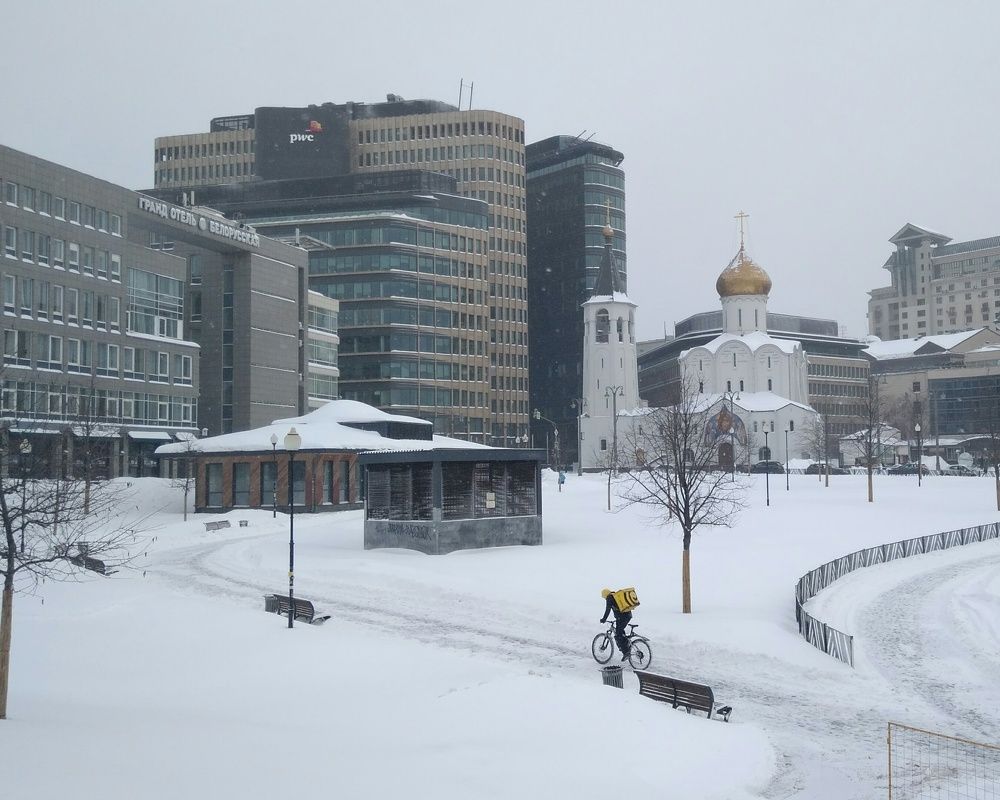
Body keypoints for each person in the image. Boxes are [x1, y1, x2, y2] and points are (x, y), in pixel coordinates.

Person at [600, 588, 633, 661]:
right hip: (627, 615)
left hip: (622, 617)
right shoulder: (615, 596)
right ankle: (626, 644)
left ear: (605, 595)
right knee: (620, 632)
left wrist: (604, 619)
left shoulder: (609, 598)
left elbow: (607, 609)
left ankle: (626, 652)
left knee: (618, 635)